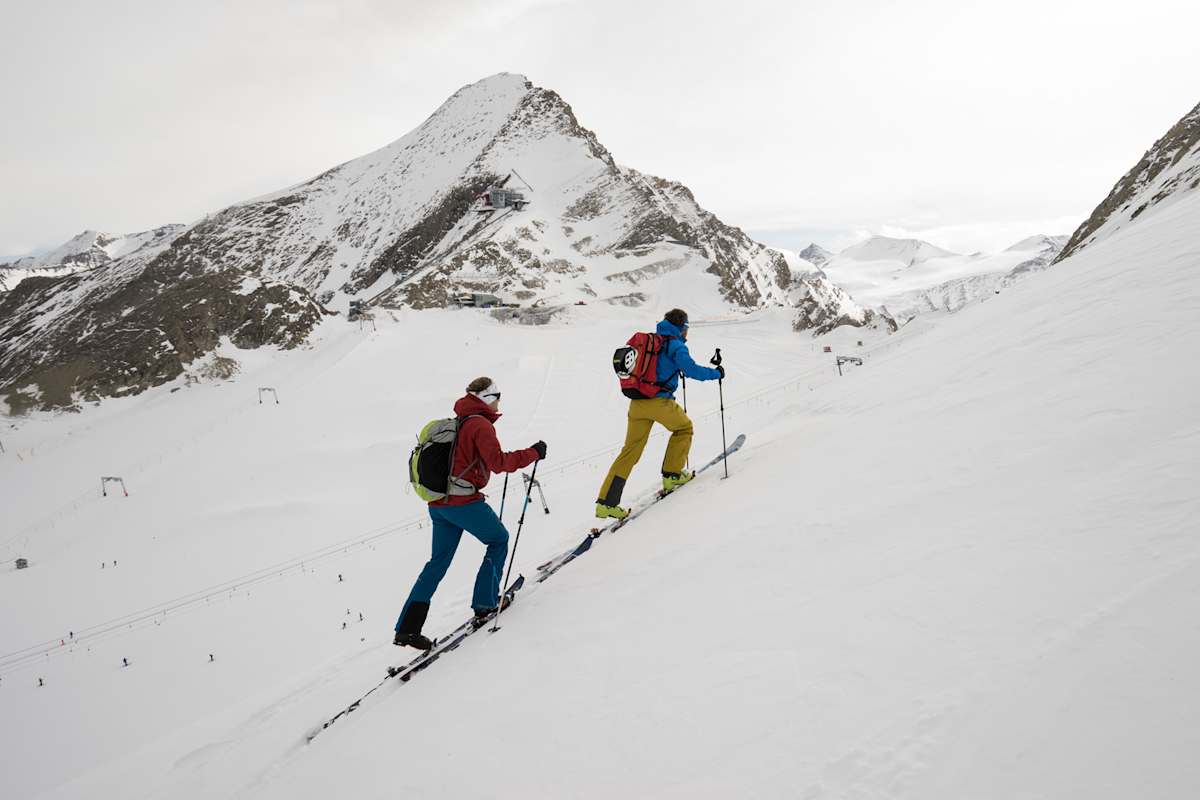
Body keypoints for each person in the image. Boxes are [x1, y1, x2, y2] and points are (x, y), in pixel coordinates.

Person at [394, 377, 546, 650]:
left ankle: (407, 628)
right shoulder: (479, 424)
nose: (499, 400)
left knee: (437, 563)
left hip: (439, 505)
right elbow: (499, 463)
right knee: (498, 540)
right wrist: (533, 453)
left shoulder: (460, 420)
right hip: (463, 503)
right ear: (487, 397)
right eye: (497, 395)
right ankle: (485, 604)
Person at [596, 309, 723, 518]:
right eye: (687, 328)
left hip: (637, 404)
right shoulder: (675, 345)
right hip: (659, 401)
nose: (687, 332)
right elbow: (691, 370)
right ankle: (672, 475)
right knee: (684, 428)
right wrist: (717, 373)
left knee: (630, 451)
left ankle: (606, 503)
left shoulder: (651, 341)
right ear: (681, 327)